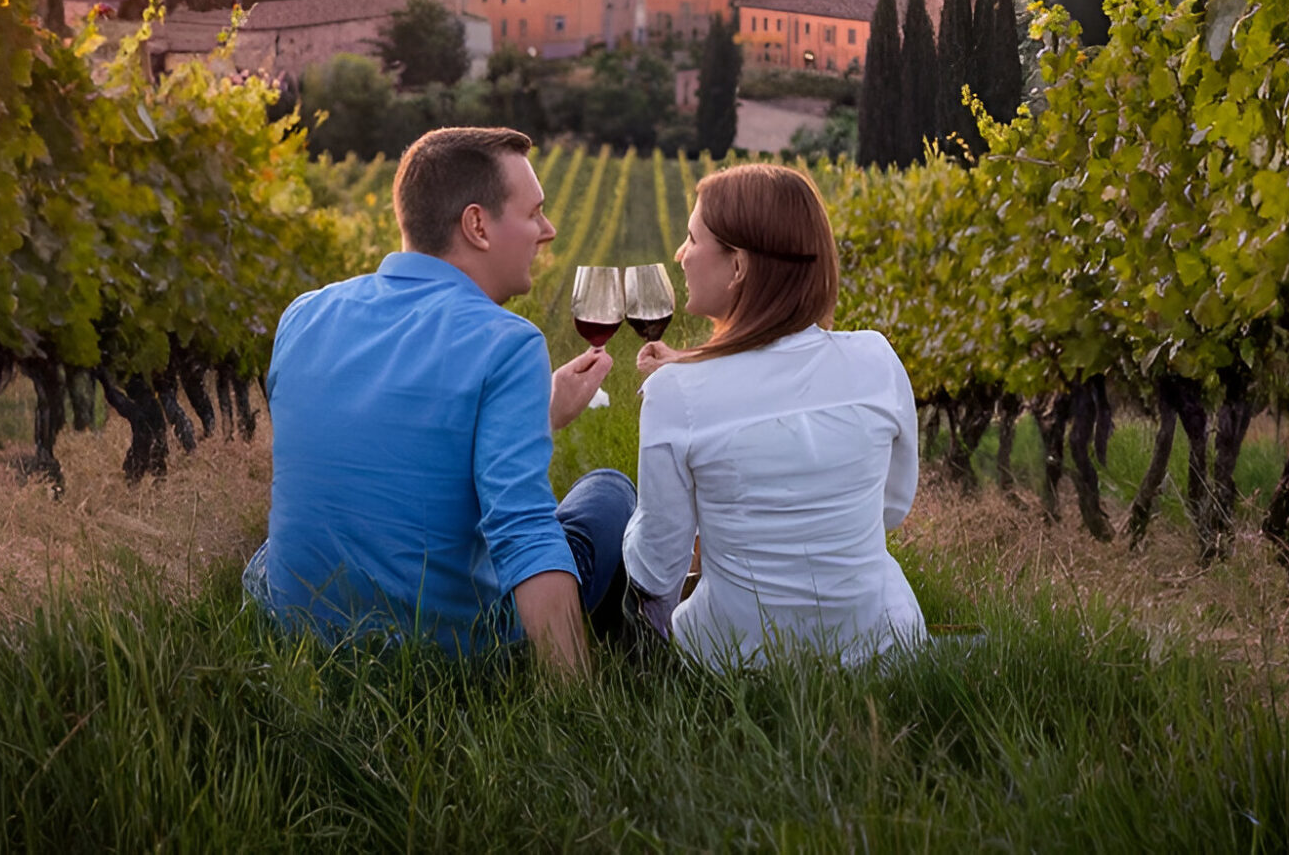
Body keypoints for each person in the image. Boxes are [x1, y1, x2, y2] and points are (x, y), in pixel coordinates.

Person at [244, 127, 635, 675]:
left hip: (299, 630)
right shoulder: (508, 342)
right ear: (477, 225)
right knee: (607, 493)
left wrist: (538, 415)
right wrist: (573, 705)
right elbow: (523, 529)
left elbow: (391, 445)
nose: (546, 231)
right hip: (448, 648)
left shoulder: (304, 315)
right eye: (534, 214)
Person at [624, 163, 925, 667]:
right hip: (886, 648)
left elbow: (656, 572)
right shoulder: (876, 360)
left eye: (692, 239)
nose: (680, 254)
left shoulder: (675, 394)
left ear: (738, 266)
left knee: (611, 498)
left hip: (733, 661)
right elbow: (890, 510)